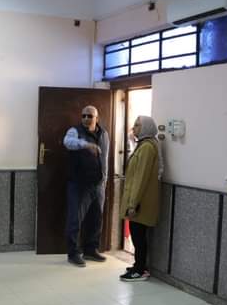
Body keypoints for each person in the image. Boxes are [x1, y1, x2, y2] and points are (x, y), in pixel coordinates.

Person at [63, 105, 109, 267]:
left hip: (98, 183)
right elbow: (68, 142)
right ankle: (73, 253)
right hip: (79, 183)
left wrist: (104, 179)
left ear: (97, 118)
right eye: (83, 116)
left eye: (90, 116)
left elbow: (105, 158)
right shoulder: (74, 131)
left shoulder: (104, 134)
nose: (86, 119)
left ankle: (91, 249)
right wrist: (86, 144)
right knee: (75, 219)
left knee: (96, 218)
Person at [119, 115, 163, 281]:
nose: (134, 128)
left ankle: (140, 270)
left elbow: (141, 178)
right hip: (140, 200)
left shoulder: (147, 148)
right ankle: (139, 265)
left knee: (138, 236)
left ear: (146, 128)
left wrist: (133, 204)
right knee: (137, 235)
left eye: (137, 125)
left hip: (141, 202)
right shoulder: (144, 145)